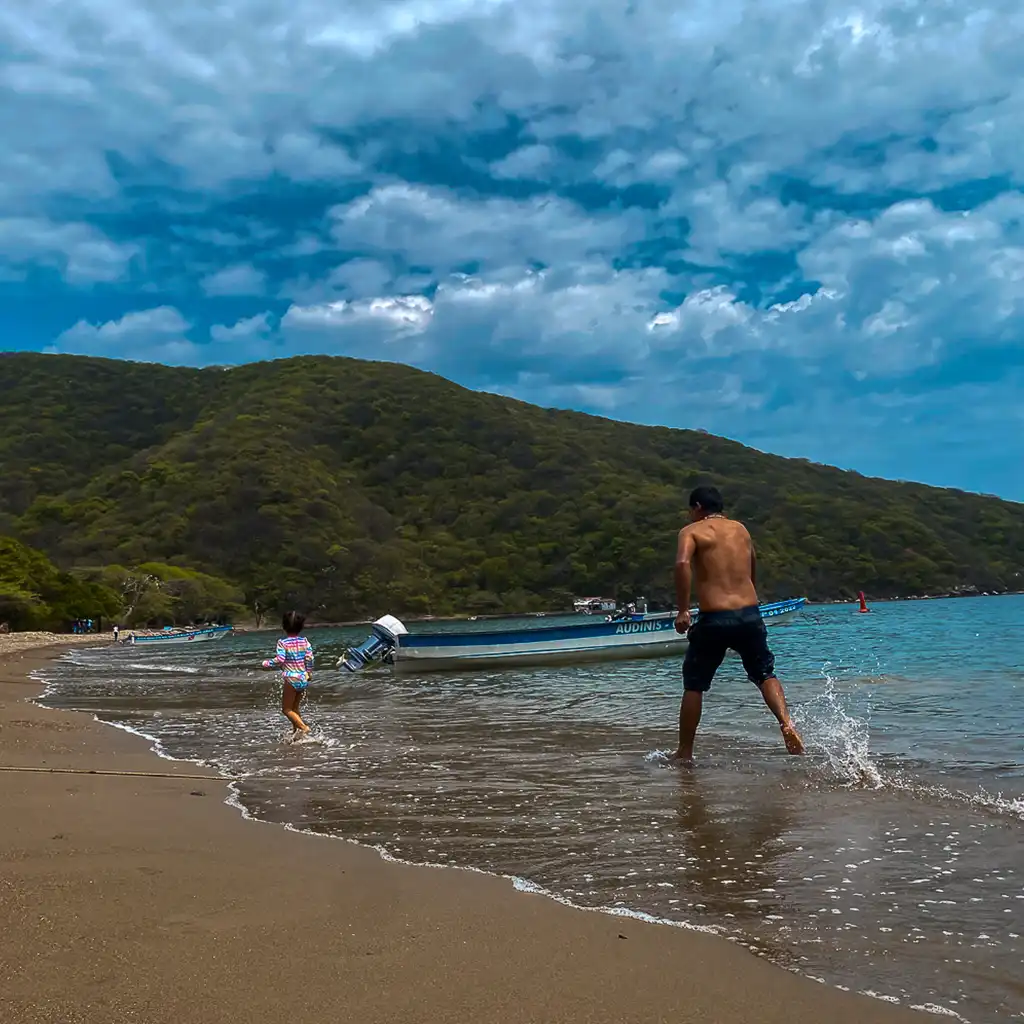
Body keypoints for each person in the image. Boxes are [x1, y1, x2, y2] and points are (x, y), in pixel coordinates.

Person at [672, 486, 804, 761]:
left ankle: (684, 753)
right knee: (765, 673)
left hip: (715, 618)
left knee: (694, 685)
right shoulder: (741, 529)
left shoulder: (691, 531)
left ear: (697, 507)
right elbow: (752, 563)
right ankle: (786, 723)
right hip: (749, 614)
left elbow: (682, 564)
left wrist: (683, 609)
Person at [262, 610, 314, 735]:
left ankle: (303, 728)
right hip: (303, 678)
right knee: (295, 708)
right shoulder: (305, 641)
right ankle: (296, 732)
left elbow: (280, 659)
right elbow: (310, 658)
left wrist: (266, 663)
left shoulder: (283, 643)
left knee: (286, 709)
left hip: (291, 679)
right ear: (301, 627)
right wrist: (309, 672)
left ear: (284, 626)